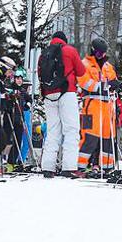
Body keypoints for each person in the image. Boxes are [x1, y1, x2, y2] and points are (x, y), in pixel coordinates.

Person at [37, 30, 85, 176]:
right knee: (71, 130)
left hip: (48, 95)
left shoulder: (43, 54)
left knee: (52, 131)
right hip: (67, 92)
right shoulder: (70, 51)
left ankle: (48, 167)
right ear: (65, 40)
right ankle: (69, 167)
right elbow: (81, 71)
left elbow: (40, 75)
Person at [77, 38, 118, 172]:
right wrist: (106, 86)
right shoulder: (85, 64)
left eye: (104, 54)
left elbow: (114, 81)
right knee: (90, 137)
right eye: (100, 53)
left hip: (108, 106)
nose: (102, 56)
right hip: (92, 104)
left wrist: (116, 86)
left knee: (108, 138)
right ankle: (80, 166)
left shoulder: (108, 67)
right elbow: (85, 83)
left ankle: (107, 167)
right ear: (93, 51)